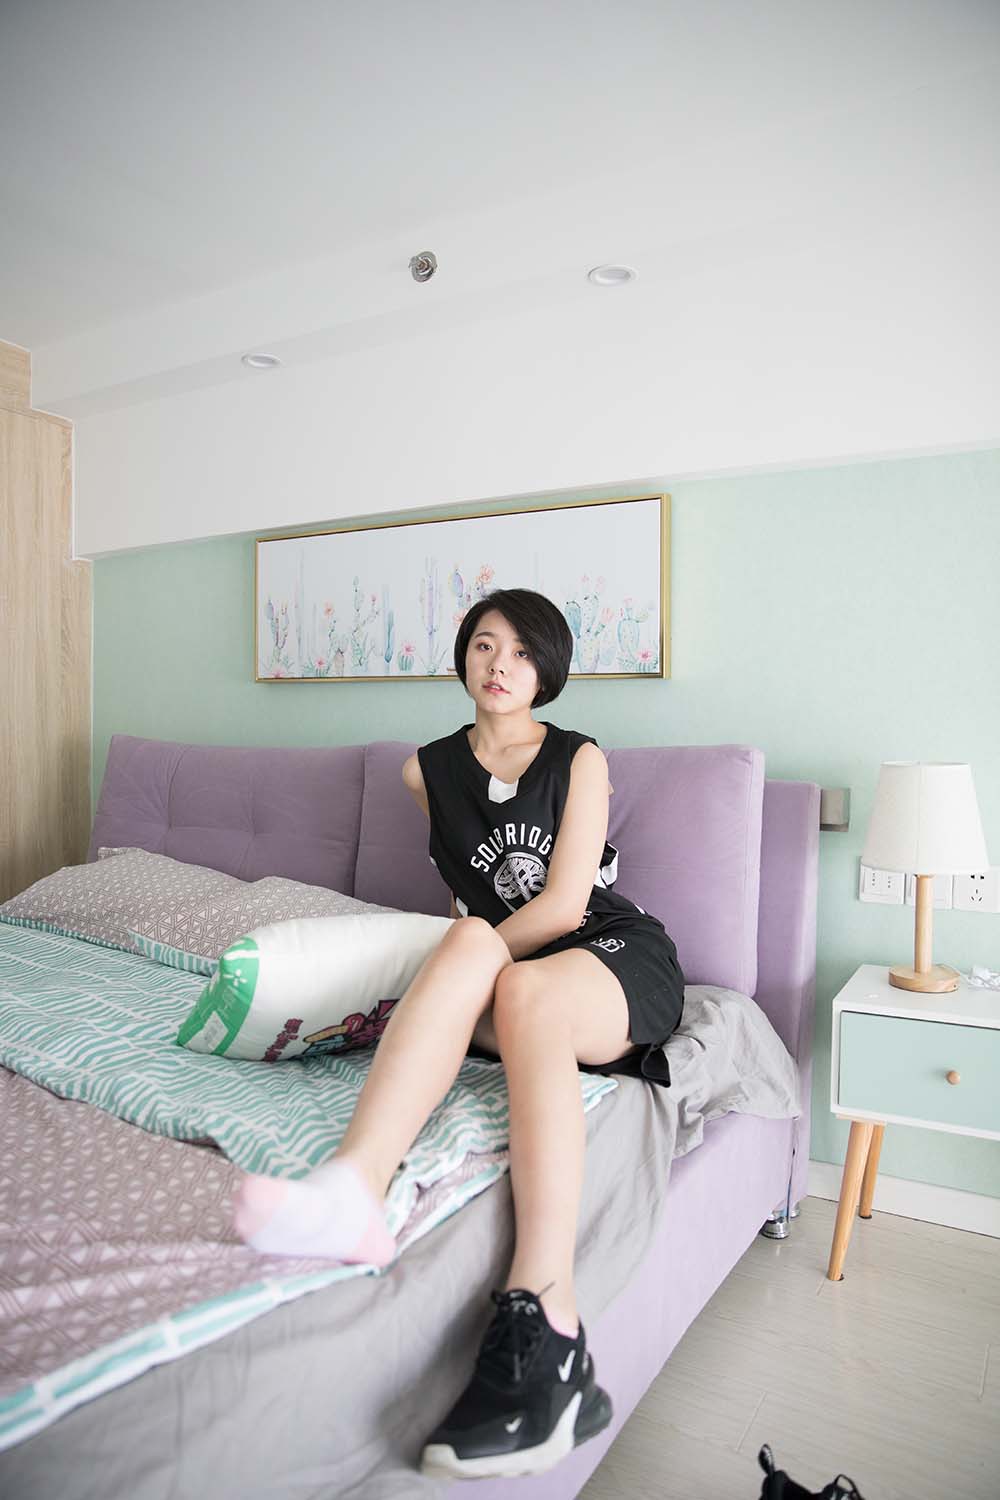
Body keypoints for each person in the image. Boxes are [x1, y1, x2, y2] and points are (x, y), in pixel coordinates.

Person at [231, 587, 686, 1481]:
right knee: (473, 944)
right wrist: (462, 956)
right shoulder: (425, 771)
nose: (499, 664)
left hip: (606, 955)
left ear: (546, 669)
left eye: (520, 651)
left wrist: (469, 959)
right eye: (484, 645)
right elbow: (463, 901)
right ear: (463, 657)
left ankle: (548, 1315)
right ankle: (353, 1190)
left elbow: (564, 904)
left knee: (506, 975)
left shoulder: (578, 757)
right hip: (508, 968)